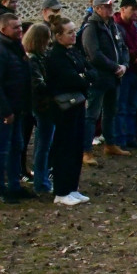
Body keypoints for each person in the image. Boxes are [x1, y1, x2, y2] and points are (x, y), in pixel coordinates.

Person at [0, 13, 34, 204]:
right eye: (15, 27)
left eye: (20, 26)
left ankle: (14, 185)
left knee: (16, 146)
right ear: (3, 29)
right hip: (2, 110)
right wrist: (6, 111)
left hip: (16, 107)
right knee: (2, 149)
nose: (20, 30)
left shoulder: (15, 46)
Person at [45, 16, 93, 207]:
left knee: (75, 147)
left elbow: (89, 71)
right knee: (64, 147)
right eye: (69, 32)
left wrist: (84, 76)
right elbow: (72, 79)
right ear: (58, 36)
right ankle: (61, 190)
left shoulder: (73, 52)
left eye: (74, 31)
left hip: (78, 104)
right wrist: (83, 78)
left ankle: (72, 187)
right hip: (64, 107)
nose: (74, 35)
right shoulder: (55, 56)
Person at [81, 0, 130, 164]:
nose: (110, 9)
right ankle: (86, 150)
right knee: (92, 115)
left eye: (111, 6)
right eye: (106, 6)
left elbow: (123, 47)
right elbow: (94, 54)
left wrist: (124, 65)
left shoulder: (113, 26)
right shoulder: (91, 28)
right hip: (99, 78)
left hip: (114, 77)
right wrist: (114, 66)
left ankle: (110, 143)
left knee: (111, 112)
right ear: (97, 8)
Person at [23, 23, 54, 194]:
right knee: (43, 145)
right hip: (42, 106)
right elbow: (38, 85)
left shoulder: (39, 57)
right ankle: (41, 182)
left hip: (42, 105)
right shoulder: (32, 60)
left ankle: (41, 178)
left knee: (43, 144)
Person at [114, 0, 137, 150]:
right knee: (121, 106)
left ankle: (130, 136)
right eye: (132, 9)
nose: (136, 12)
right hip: (125, 71)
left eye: (136, 9)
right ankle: (120, 139)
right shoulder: (116, 27)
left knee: (132, 106)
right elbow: (120, 48)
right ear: (123, 9)